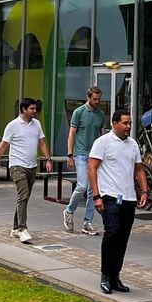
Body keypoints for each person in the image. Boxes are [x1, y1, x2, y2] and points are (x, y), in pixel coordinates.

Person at [88, 108, 148, 294]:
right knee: (112, 232)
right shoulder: (103, 142)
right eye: (125, 123)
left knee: (123, 238)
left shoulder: (133, 145)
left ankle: (115, 276)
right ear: (115, 124)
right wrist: (96, 196)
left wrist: (144, 191)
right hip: (109, 196)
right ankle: (105, 274)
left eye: (130, 123)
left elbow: (139, 169)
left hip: (128, 197)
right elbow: (92, 168)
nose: (128, 126)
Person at [0, 98, 53, 243]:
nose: (34, 111)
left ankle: (15, 227)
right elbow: (2, 146)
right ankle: (22, 229)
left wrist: (48, 159)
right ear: (24, 109)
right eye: (32, 109)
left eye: (35, 109)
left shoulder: (36, 124)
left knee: (23, 197)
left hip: (32, 165)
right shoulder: (13, 126)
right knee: (23, 195)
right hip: (17, 165)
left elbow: (42, 142)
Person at [63, 85, 106, 236]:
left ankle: (87, 222)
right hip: (80, 154)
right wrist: (70, 155)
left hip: (94, 156)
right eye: (94, 99)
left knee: (92, 190)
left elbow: (102, 137)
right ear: (88, 97)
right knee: (82, 185)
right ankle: (69, 211)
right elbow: (71, 134)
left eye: (99, 99)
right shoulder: (79, 112)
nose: (97, 101)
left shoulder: (100, 115)